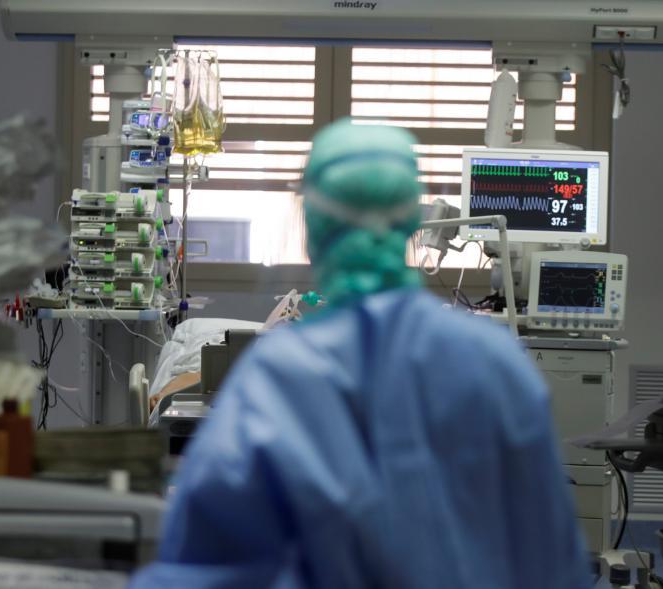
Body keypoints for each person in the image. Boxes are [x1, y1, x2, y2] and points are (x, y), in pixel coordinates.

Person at [129, 120, 590, 588]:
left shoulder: (278, 377)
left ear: (313, 230)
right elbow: (550, 559)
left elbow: (204, 563)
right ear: (411, 221)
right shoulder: (496, 364)